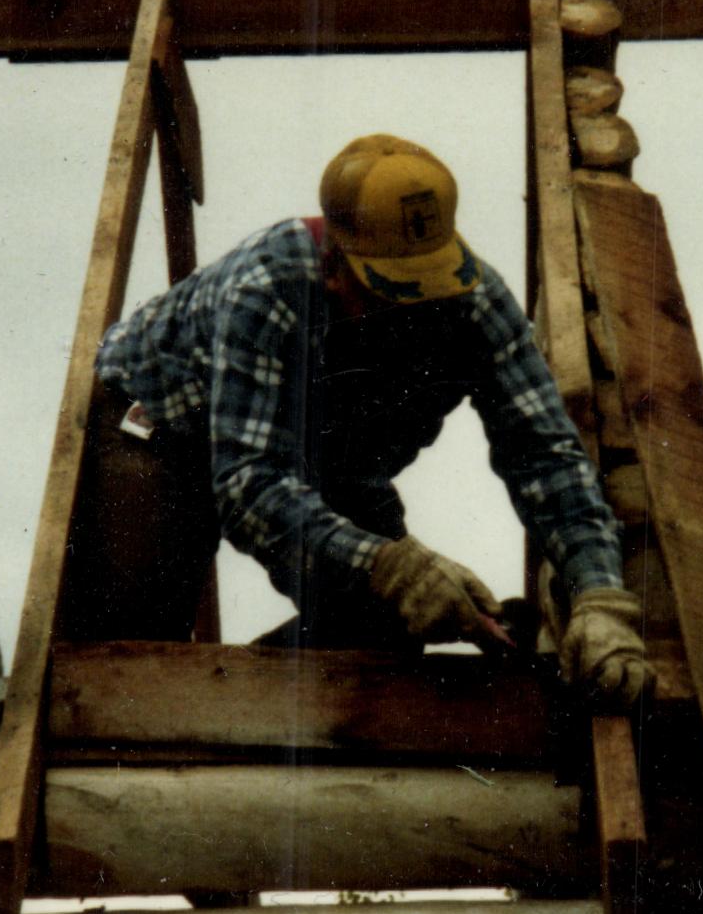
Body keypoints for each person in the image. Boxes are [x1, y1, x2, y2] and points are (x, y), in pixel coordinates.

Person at [58, 133, 653, 710]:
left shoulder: (476, 304)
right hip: (162, 426)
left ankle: (236, 697)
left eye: (426, 294)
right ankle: (200, 695)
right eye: (390, 296)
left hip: (324, 451)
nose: (411, 317)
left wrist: (600, 596)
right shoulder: (269, 289)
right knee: (123, 646)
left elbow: (546, 456)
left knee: (389, 624)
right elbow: (251, 487)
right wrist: (384, 564)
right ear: (334, 264)